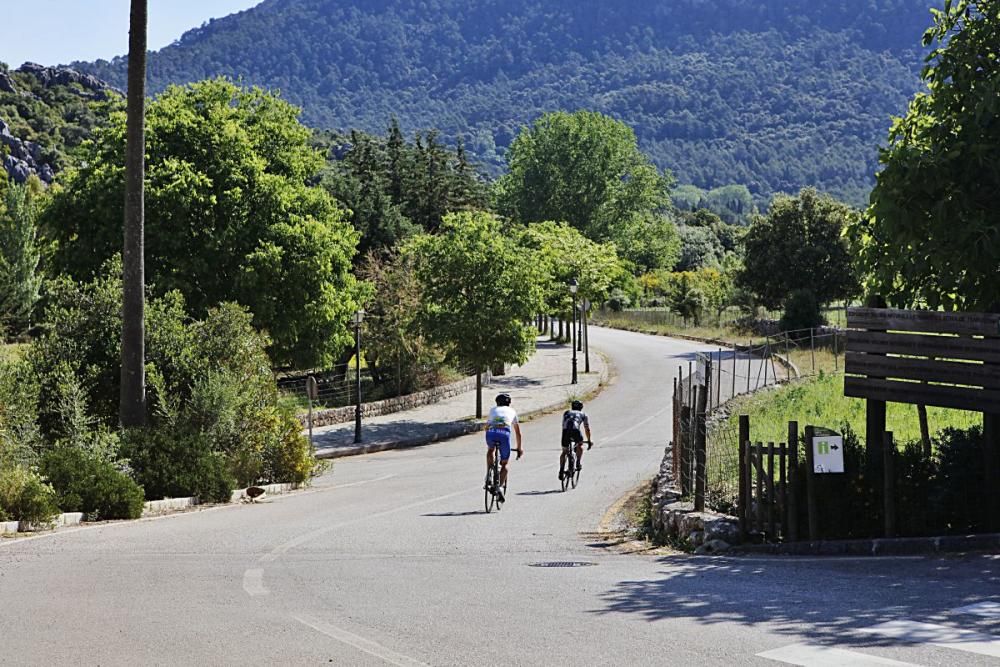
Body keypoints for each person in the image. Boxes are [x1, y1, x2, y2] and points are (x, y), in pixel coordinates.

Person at [485, 392, 523, 502]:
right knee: (505, 464)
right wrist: (519, 448)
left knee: (490, 450)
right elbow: (518, 433)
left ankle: (489, 473)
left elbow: (487, 426)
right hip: (504, 435)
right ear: (509, 404)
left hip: (491, 432)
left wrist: (489, 432)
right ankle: (499, 487)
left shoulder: (493, 410)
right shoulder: (513, 412)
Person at [560, 400, 592, 480]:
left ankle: (561, 470)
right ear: (581, 407)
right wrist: (589, 440)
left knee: (564, 451)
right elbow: (587, 429)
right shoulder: (583, 414)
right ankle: (578, 462)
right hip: (575, 431)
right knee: (580, 444)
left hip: (565, 431)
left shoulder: (566, 412)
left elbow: (564, 424)